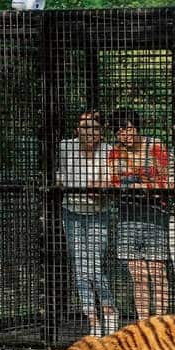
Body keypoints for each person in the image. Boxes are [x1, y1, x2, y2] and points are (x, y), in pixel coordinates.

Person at [57, 110, 118, 336]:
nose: (88, 132)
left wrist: (102, 189)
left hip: (97, 213)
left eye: (93, 128)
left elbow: (112, 180)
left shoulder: (109, 151)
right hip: (72, 212)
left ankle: (109, 310)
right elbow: (60, 175)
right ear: (77, 130)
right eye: (84, 127)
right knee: (80, 267)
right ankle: (92, 318)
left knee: (94, 264)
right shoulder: (66, 147)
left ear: (101, 132)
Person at [108, 109, 171, 321]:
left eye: (126, 128)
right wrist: (138, 185)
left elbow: (168, 181)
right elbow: (113, 182)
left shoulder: (155, 146)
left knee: (157, 273)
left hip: (155, 217)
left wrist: (139, 184)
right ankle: (144, 323)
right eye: (118, 131)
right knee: (138, 276)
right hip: (127, 219)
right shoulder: (116, 152)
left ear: (135, 127)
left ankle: (161, 323)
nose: (123, 134)